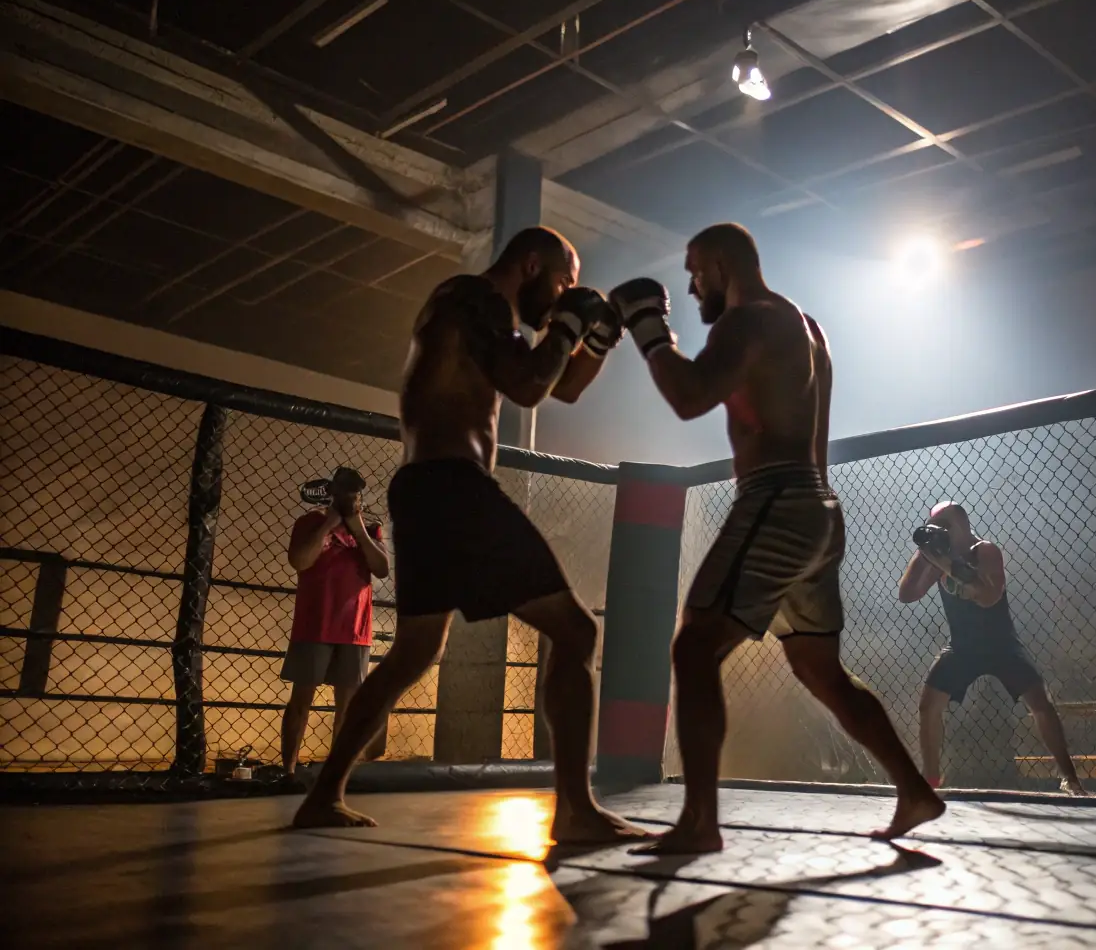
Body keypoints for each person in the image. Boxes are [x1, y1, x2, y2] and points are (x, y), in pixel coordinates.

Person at [293, 226, 647, 842]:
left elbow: (560, 387)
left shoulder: (479, 315)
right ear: (532, 264)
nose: (563, 292)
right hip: (453, 487)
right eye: (562, 280)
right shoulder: (471, 297)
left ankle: (322, 796)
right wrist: (568, 322)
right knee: (575, 629)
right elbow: (531, 384)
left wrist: (595, 340)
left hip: (428, 488)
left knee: (413, 652)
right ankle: (575, 811)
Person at [610, 222, 944, 855]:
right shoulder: (805, 326)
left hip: (778, 500)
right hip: (819, 509)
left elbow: (688, 396)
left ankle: (699, 823)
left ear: (719, 263)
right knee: (822, 670)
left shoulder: (746, 321)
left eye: (695, 270)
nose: (690, 284)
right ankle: (913, 790)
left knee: (694, 647)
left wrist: (646, 325)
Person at [897, 501, 1086, 794]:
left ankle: (1070, 778)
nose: (942, 532)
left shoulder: (985, 550)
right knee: (928, 706)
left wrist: (948, 565)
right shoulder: (938, 558)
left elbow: (988, 597)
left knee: (1040, 704)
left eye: (946, 526)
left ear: (962, 525)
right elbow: (907, 595)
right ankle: (931, 780)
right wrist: (923, 555)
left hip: (1000, 643)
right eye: (937, 527)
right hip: (962, 646)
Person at [282, 466, 390, 776]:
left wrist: (356, 527)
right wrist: (329, 523)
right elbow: (299, 561)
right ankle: (288, 770)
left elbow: (381, 569)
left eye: (355, 494)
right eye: (344, 493)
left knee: (348, 704)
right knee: (302, 698)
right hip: (315, 622)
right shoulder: (310, 521)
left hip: (355, 627)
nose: (350, 499)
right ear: (333, 493)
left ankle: (336, 772)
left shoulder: (370, 528)